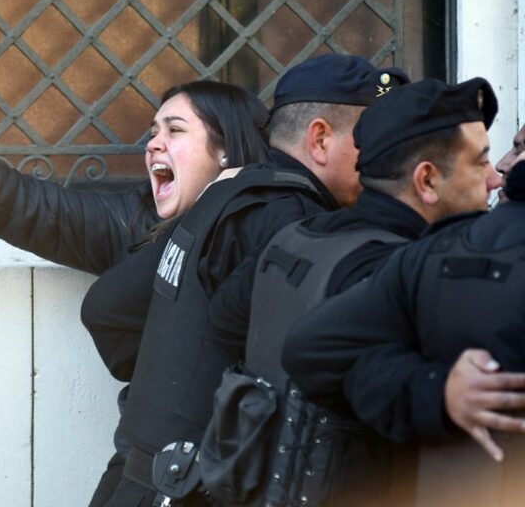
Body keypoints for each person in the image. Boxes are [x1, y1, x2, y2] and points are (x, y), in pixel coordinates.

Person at [0, 27, 274, 507]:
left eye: (175, 131)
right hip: (143, 469)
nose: (154, 144)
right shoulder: (135, 222)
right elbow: (13, 201)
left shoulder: (274, 229)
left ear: (226, 152)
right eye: (153, 131)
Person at [115, 55, 409, 505]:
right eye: (372, 139)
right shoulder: (288, 216)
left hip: (149, 477)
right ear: (320, 138)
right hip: (186, 487)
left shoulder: (231, 191)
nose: (385, 158)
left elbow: (111, 311)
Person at [200, 77, 501, 507]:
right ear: (427, 181)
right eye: (480, 162)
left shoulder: (298, 236)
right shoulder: (402, 269)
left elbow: (227, 322)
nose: (493, 180)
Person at [283, 150, 525, 506]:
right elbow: (312, 349)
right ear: (424, 179)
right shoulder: (437, 251)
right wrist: (440, 392)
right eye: (480, 159)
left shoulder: (439, 248)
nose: (503, 166)